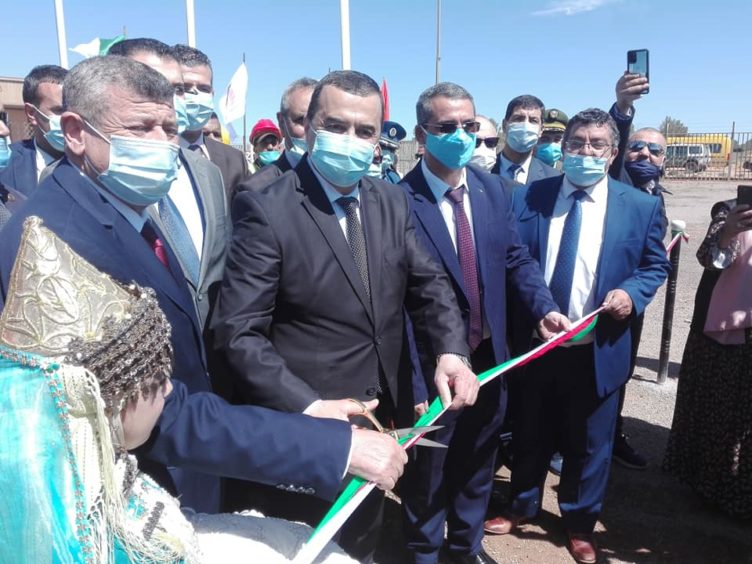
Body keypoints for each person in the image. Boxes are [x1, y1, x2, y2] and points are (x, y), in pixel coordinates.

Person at [0, 55, 407, 517]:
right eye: (141, 127)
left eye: (169, 129)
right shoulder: (58, 245)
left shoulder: (126, 212)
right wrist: (330, 447)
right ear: (75, 132)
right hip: (118, 497)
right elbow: (152, 415)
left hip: (178, 476)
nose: (162, 145)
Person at [212, 70, 478, 562]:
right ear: (308, 128)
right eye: (336, 125)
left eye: (365, 131)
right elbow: (237, 331)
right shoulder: (267, 207)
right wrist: (309, 406)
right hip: (305, 427)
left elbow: (429, 283)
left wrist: (450, 351)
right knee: (303, 545)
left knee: (360, 542)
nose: (351, 141)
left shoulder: (389, 199)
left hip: (380, 420)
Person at [0, 216, 356, 563]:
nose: (170, 388)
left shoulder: (85, 475)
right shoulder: (71, 535)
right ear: (108, 401)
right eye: (154, 380)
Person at [483, 108, 669, 564]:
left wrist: (632, 293)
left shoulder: (640, 206)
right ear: (563, 148)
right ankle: (522, 504)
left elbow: (653, 265)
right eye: (577, 143)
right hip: (537, 341)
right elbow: (512, 259)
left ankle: (579, 521)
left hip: (598, 346)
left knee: (591, 441)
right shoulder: (529, 198)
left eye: (596, 144)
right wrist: (536, 311)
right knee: (530, 429)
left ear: (612, 152)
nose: (585, 151)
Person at [398, 82, 568, 564]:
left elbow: (516, 259)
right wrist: (410, 378)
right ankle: (424, 552)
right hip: (432, 368)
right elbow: (396, 301)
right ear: (422, 134)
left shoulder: (495, 190)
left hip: (490, 359)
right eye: (446, 127)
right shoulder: (395, 200)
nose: (460, 135)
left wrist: (543, 308)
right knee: (428, 469)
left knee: (478, 464)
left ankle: (465, 548)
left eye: (469, 126)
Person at [109, 38, 229, 334]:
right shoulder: (99, 175)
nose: (168, 99)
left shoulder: (208, 173)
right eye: (149, 84)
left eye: (176, 89)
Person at [664, 199, 752, 519]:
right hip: (725, 333)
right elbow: (709, 259)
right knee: (719, 411)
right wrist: (729, 232)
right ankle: (713, 489)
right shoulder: (730, 210)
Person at [607, 71, 669, 470]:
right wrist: (623, 108)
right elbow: (620, 135)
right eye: (637, 147)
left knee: (621, 372)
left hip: (633, 303)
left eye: (654, 151)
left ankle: (612, 434)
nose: (644, 154)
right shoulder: (616, 183)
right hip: (596, 301)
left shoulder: (656, 197)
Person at [172, 43, 249, 199]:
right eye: (185, 88)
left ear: (212, 94)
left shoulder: (234, 160)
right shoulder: (154, 153)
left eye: (204, 89)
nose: (195, 95)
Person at [232, 77, 317, 200]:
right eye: (301, 121)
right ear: (282, 122)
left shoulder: (345, 182)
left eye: (321, 121)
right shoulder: (255, 192)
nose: (312, 131)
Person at [0, 65, 67, 195]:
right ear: (31, 112)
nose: (71, 118)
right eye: (60, 110)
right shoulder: (7, 168)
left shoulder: (102, 165)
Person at [491, 95, 559, 185]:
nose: (525, 126)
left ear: (541, 130)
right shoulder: (484, 170)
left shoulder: (553, 179)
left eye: (533, 120)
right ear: (504, 125)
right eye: (518, 119)